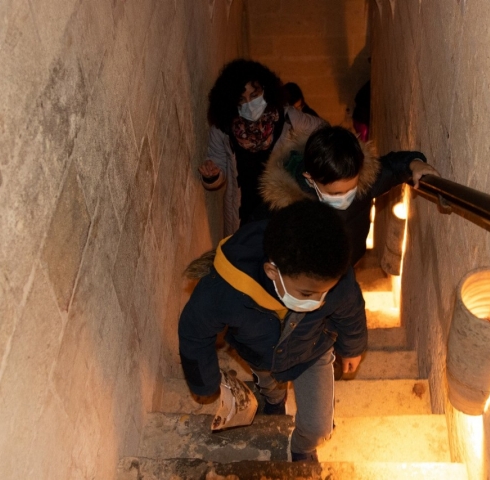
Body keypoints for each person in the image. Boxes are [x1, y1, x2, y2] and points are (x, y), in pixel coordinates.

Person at [178, 201, 367, 462]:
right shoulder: (222, 291)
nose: (321, 300)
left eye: (328, 291)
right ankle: (274, 402)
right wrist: (204, 381)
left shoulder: (331, 271)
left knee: (318, 426)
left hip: (312, 351)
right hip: (258, 353)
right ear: (272, 271)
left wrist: (352, 347)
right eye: (308, 294)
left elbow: (351, 308)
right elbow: (194, 331)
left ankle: (302, 447)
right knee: (270, 387)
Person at [259, 126, 439, 265]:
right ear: (310, 178)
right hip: (310, 275)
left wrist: (414, 163)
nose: (346, 196)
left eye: (350, 188)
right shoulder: (285, 207)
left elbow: (392, 167)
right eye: (335, 193)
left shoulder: (364, 181)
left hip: (351, 262)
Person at [199, 60, 326, 236]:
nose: (249, 104)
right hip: (242, 216)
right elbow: (217, 162)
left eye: (254, 95)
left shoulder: (288, 118)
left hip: (281, 213)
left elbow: (324, 132)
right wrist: (212, 175)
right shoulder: (223, 129)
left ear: (265, 90)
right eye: (241, 99)